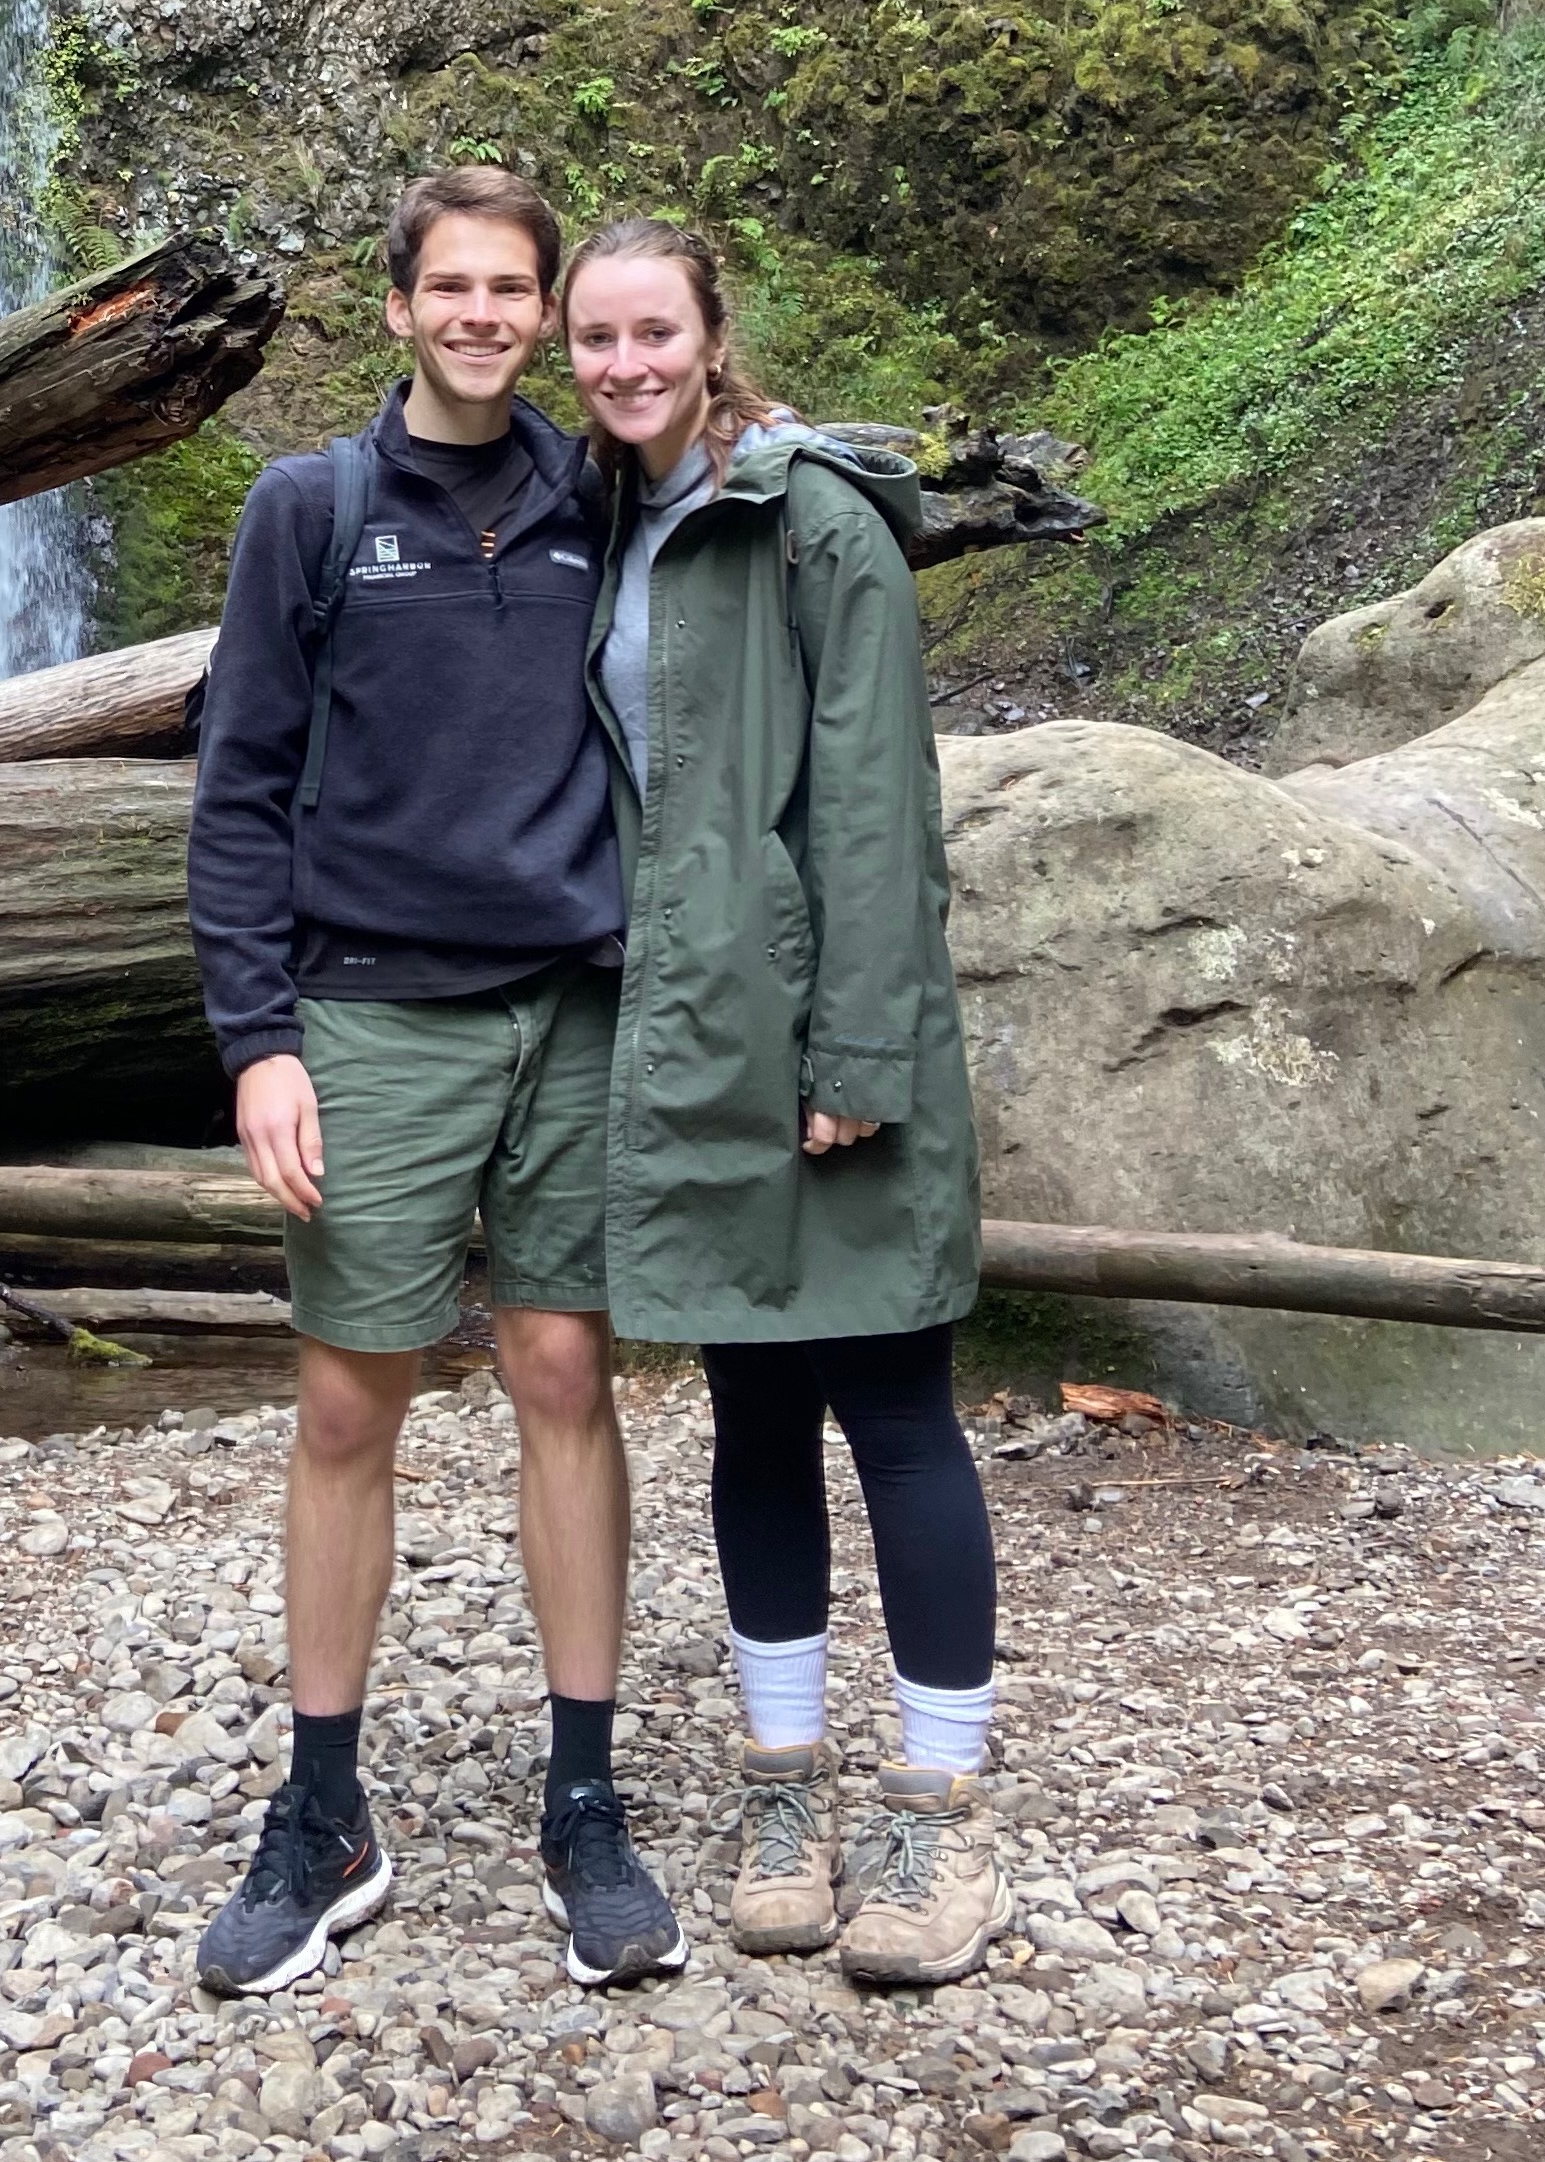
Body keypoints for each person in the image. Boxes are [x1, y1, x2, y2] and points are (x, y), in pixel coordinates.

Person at [183, 165, 685, 1998]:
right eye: (451, 286)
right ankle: (324, 1811)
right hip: (375, 1014)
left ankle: (583, 1797)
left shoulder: (599, 494)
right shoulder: (308, 511)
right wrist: (260, 1045)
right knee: (345, 1405)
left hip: (573, 1003)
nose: (482, 315)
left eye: (512, 290)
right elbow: (239, 788)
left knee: (564, 1369)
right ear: (396, 306)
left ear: (543, 314)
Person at [563, 214, 1006, 1989]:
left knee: (895, 1409)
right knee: (750, 1415)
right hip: (683, 1032)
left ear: (711, 331)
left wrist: (863, 1058)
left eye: (651, 331)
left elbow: (879, 805)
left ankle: (941, 1810)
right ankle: (783, 1787)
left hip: (819, 1032)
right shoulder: (600, 517)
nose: (621, 363)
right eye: (593, 338)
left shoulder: (815, 521)